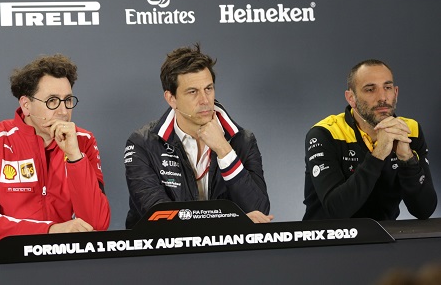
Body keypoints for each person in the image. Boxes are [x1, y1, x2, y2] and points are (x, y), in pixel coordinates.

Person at [124, 44, 272, 228]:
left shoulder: (243, 140)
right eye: (192, 92)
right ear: (171, 99)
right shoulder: (142, 144)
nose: (204, 100)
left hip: (225, 251)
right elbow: (159, 218)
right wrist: (232, 218)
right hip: (162, 252)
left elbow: (260, 211)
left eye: (208, 89)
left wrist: (225, 151)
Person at [0, 54, 110, 242]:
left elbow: (97, 224)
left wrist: (74, 156)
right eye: (52, 101)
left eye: (68, 100)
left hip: (66, 258)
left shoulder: (83, 140)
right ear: (26, 105)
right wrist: (51, 230)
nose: (63, 111)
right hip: (8, 260)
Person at [303, 59, 437, 220]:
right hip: (329, 240)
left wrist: (407, 159)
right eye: (370, 89)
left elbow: (424, 210)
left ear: (396, 92)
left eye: (387, 88)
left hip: (385, 239)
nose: (382, 97)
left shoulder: (409, 130)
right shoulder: (325, 133)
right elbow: (336, 210)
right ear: (351, 98)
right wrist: (378, 154)